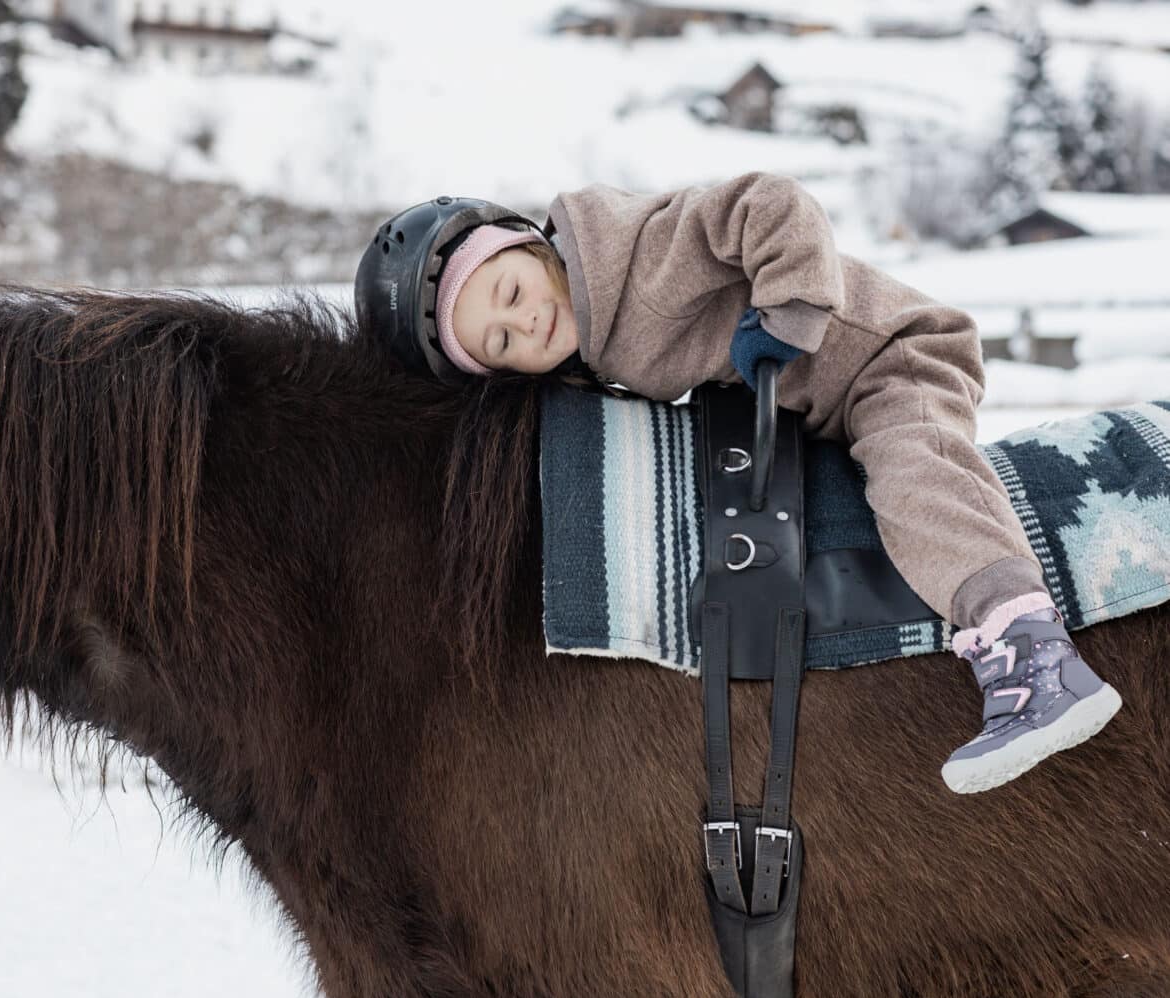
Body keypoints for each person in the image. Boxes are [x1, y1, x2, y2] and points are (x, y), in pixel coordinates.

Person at [352, 175, 1122, 794]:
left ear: (523, 243)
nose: (528, 327)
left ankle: (1031, 651)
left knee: (911, 478)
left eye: (513, 296)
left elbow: (774, 205)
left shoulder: (636, 251)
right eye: (502, 343)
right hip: (810, 407)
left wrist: (786, 308)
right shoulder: (586, 340)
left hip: (889, 360)